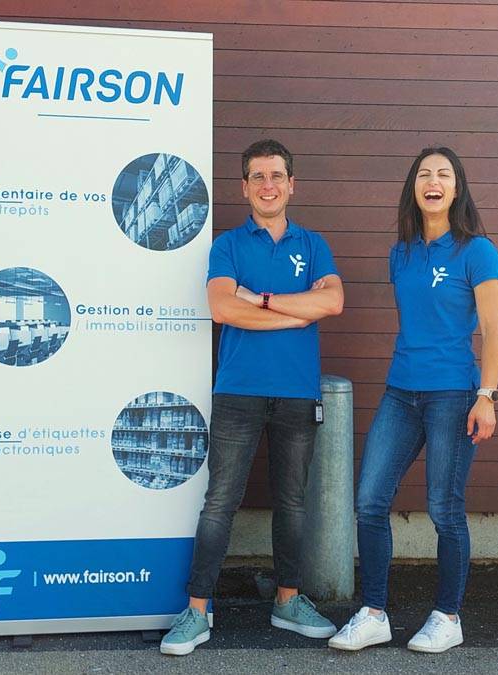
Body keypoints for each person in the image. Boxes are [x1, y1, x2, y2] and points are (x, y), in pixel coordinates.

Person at [160, 139, 345, 656]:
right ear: (244, 187)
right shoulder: (227, 246)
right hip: (238, 392)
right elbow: (223, 309)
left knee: (292, 503)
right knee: (220, 502)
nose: (268, 185)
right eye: (258, 177)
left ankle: (288, 601)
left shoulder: (313, 245)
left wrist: (259, 299)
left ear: (292, 184)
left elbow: (333, 301)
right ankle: (197, 611)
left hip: (296, 393)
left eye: (276, 176)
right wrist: (296, 313)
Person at [327, 146, 498, 654]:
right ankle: (373, 614)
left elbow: (493, 331)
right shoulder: (400, 253)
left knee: (444, 508)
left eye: (444, 174)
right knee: (369, 501)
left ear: (457, 188)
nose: (433, 181)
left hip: (454, 394)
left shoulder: (478, 251)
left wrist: (487, 395)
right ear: (414, 187)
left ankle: (448, 617)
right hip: (401, 392)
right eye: (424, 174)